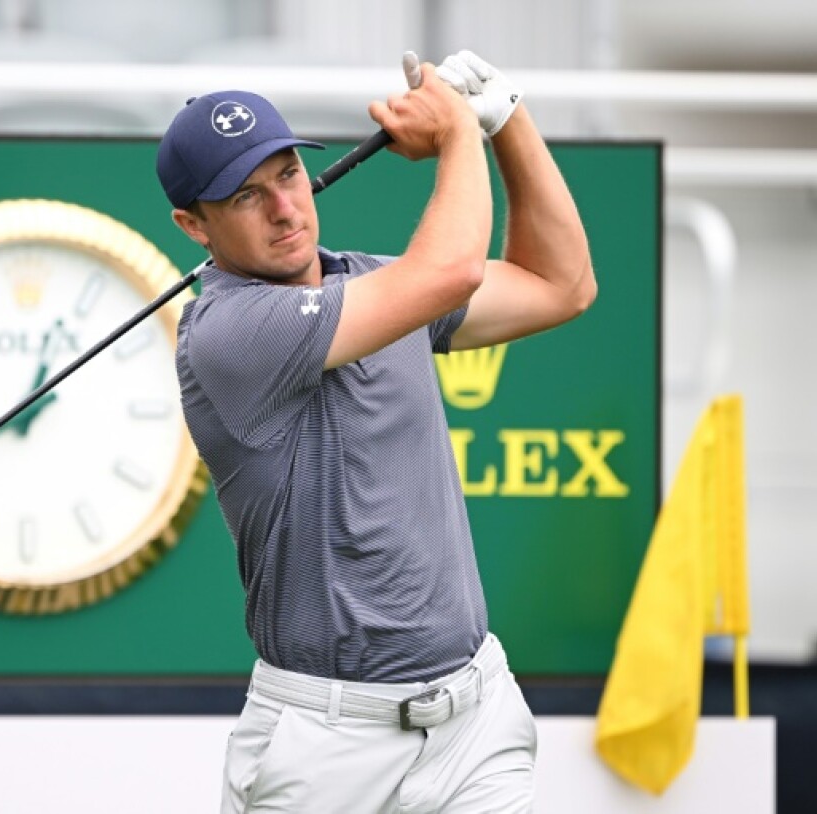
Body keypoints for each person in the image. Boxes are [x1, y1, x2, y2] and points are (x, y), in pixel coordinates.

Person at [156, 50, 594, 813]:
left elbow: (562, 286)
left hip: (473, 720)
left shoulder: (373, 283)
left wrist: (506, 120)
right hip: (327, 747)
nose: (285, 209)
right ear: (194, 225)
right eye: (245, 197)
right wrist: (459, 136)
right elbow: (449, 272)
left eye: (288, 175)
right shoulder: (226, 334)